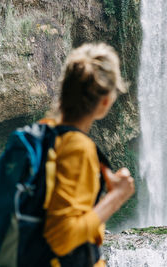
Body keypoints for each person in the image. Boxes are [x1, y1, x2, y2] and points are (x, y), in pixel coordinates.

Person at [42, 43, 135, 267]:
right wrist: (116, 197)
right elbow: (62, 239)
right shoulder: (77, 147)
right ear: (105, 102)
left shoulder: (41, 135)